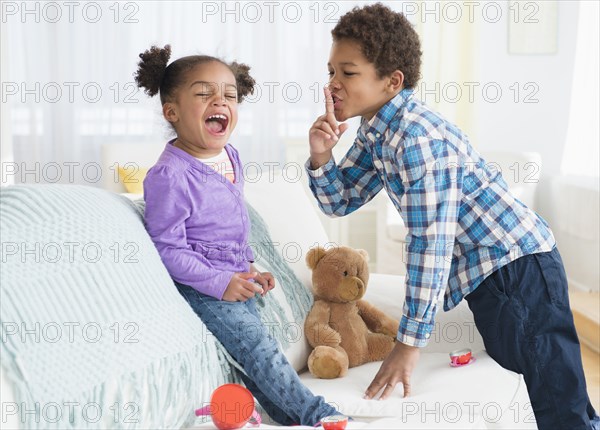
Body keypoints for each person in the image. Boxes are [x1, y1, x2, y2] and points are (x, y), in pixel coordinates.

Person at [305, 4, 599, 429]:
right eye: (331, 71)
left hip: (517, 271)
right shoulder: (377, 130)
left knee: (558, 403)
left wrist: (409, 343)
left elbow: (432, 245)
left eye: (347, 73)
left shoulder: (416, 139)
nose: (333, 84)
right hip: (491, 277)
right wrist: (321, 156)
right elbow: (340, 200)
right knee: (546, 394)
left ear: (392, 81)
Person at [135, 44, 341, 426]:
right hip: (203, 286)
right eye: (203, 93)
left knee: (260, 349)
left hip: (236, 278)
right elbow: (167, 248)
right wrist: (219, 282)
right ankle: (316, 414)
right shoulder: (169, 176)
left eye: (229, 95)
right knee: (258, 348)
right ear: (172, 111)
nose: (220, 101)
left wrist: (247, 267)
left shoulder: (230, 156)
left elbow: (231, 226)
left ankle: (285, 412)